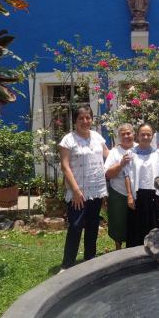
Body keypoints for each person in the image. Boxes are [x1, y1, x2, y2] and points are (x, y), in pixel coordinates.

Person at [58, 104, 108, 271]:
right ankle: (67, 264)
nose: (85, 121)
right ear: (75, 121)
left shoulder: (98, 138)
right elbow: (65, 167)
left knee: (93, 224)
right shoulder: (68, 140)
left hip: (96, 190)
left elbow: (109, 157)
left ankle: (90, 259)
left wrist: (129, 151)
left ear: (92, 119)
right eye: (81, 118)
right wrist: (76, 191)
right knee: (75, 225)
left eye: (88, 117)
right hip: (77, 192)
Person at [124, 123, 159, 247]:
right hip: (138, 195)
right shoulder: (130, 153)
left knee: (155, 226)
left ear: (152, 136)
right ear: (138, 136)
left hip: (155, 194)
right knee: (138, 227)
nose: (145, 137)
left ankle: (156, 252)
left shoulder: (157, 153)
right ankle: (137, 256)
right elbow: (127, 175)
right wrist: (129, 195)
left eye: (148, 134)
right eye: (142, 134)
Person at [104, 124, 135, 250]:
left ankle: (135, 247)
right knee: (118, 222)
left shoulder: (140, 148)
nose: (126, 136)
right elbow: (107, 174)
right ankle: (118, 249)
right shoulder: (114, 152)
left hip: (137, 192)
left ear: (134, 133)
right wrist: (121, 164)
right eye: (123, 134)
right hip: (118, 192)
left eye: (129, 133)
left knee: (135, 222)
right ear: (119, 137)